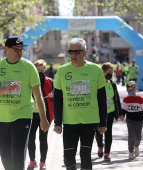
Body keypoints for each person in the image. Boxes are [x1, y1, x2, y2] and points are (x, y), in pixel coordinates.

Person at [53, 37, 107, 170]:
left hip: (89, 120)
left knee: (85, 155)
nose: (73, 55)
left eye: (77, 52)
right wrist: (58, 122)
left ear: (85, 52)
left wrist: (103, 123)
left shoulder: (96, 70)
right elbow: (58, 98)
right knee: (68, 157)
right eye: (70, 52)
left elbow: (102, 98)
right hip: (70, 121)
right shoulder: (62, 71)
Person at [0, 36, 50, 170]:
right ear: (6, 49)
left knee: (17, 155)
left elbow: (38, 96)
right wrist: (5, 90)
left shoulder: (28, 67)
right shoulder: (0, 66)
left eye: (21, 49)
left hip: (22, 115)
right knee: (5, 156)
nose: (19, 52)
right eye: (15, 49)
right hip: (2, 117)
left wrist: (44, 119)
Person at [27, 59, 54, 170]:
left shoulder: (49, 81)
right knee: (30, 138)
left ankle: (43, 162)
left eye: (42, 70)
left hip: (45, 114)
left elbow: (56, 95)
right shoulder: (29, 81)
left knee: (43, 139)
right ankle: (32, 161)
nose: (40, 72)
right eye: (38, 70)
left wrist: (53, 95)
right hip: (31, 114)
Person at [95, 62, 121, 161]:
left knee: (108, 132)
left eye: (112, 72)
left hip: (110, 111)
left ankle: (107, 153)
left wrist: (120, 112)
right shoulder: (98, 83)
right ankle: (100, 146)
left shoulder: (112, 84)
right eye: (109, 72)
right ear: (104, 72)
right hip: (99, 112)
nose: (111, 74)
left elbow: (116, 98)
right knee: (98, 132)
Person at [119, 81, 143, 160]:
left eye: (132, 90)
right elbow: (124, 109)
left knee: (138, 137)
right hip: (130, 120)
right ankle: (131, 152)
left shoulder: (140, 99)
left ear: (135, 89)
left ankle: (136, 146)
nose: (130, 92)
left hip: (139, 120)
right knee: (131, 135)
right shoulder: (126, 99)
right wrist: (122, 115)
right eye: (129, 91)